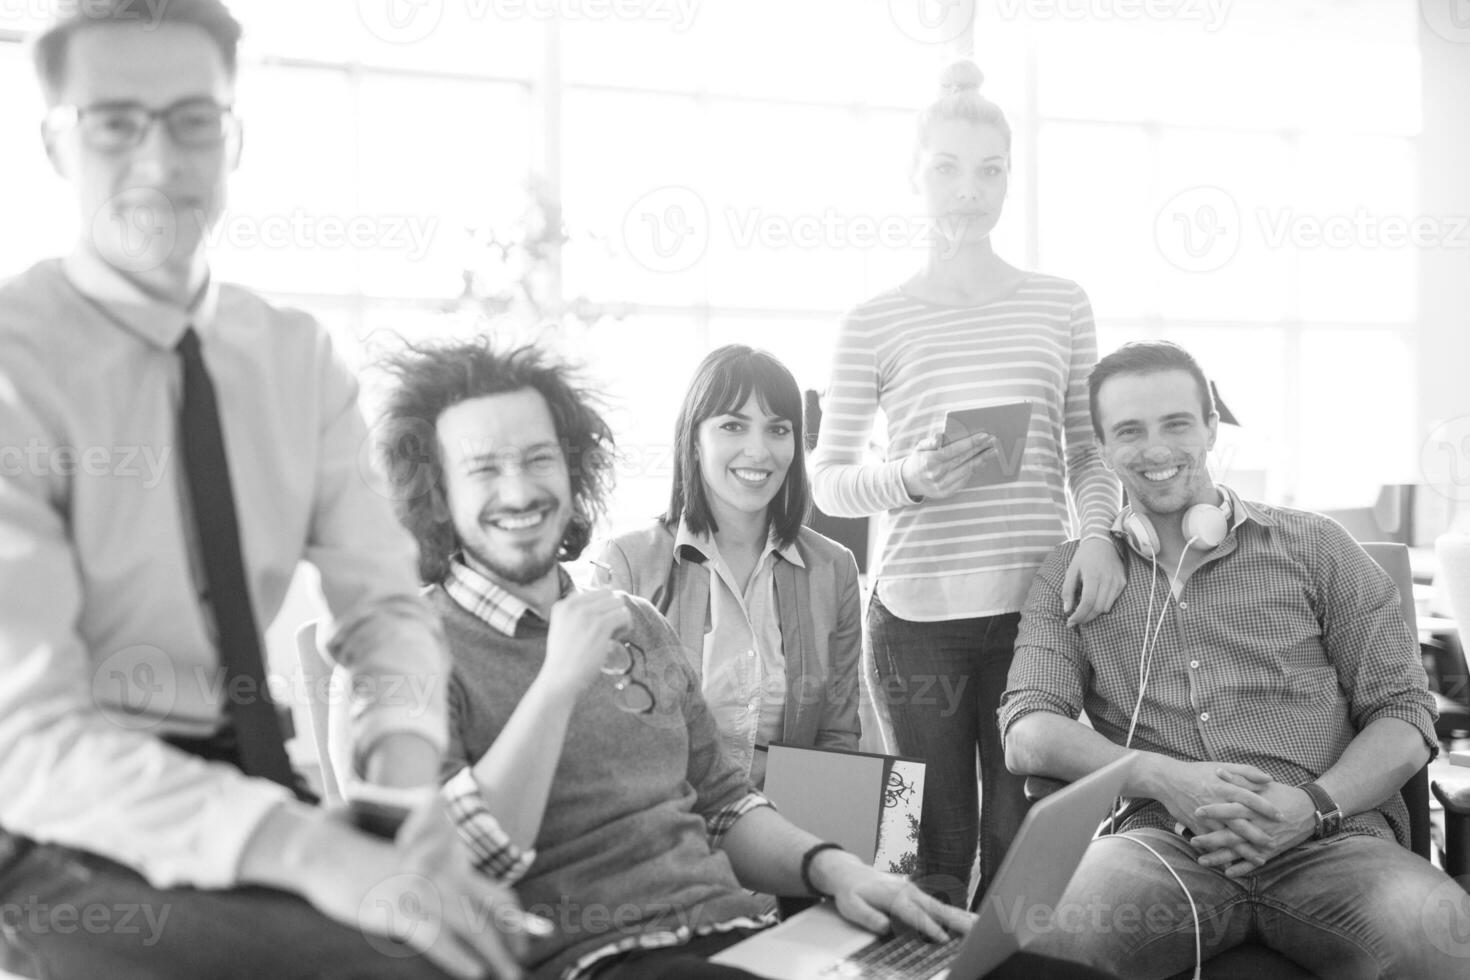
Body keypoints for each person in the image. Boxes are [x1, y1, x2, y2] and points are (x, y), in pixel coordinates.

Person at [0, 3, 521, 977]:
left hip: (250, 779)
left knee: (467, 941)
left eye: (194, 120)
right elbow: (25, 736)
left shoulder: (293, 356)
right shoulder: (14, 365)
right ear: (53, 144)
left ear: (233, 136)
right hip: (51, 818)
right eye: (115, 122)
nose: (159, 161)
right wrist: (311, 848)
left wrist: (406, 799)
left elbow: (384, 605)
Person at [377, 339, 974, 980]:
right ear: (437, 493)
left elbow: (722, 802)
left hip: (737, 932)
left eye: (539, 459)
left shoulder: (640, 623)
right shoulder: (404, 648)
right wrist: (556, 686)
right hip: (602, 955)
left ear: (574, 474)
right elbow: (443, 866)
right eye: (483, 468)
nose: (519, 490)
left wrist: (842, 871)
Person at [1000, 340, 1470, 978]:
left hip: (1333, 838)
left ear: (1212, 428)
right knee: (1033, 945)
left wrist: (1311, 807)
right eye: (1130, 431)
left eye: (1177, 423)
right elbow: (1028, 734)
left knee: (1446, 943)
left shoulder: (1316, 546)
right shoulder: (1072, 575)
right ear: (1104, 449)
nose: (1157, 449)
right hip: (1161, 846)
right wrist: (1165, 780)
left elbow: (1405, 713)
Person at [810, 59, 1123, 903]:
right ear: (914, 175)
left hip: (1037, 610)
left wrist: (1097, 534)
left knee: (1021, 847)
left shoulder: (1060, 303)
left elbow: (1089, 454)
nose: (968, 189)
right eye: (946, 167)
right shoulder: (873, 319)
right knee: (937, 851)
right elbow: (828, 481)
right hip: (917, 619)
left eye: (989, 170)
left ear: (1010, 179)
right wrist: (908, 478)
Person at [595, 344, 861, 789]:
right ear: (694, 441)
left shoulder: (833, 570)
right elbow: (613, 740)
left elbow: (836, 738)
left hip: (786, 828)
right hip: (674, 823)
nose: (758, 450)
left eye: (778, 429)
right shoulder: (627, 562)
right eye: (733, 426)